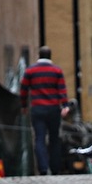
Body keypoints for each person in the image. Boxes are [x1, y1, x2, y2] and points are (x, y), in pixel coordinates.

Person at [20, 46, 70, 175]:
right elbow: (62, 90)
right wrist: (65, 105)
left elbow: (23, 89)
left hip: (37, 108)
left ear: (39, 55)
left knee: (39, 138)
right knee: (54, 139)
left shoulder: (30, 71)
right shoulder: (56, 71)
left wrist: (23, 105)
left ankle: (42, 168)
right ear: (50, 56)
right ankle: (55, 167)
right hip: (53, 108)